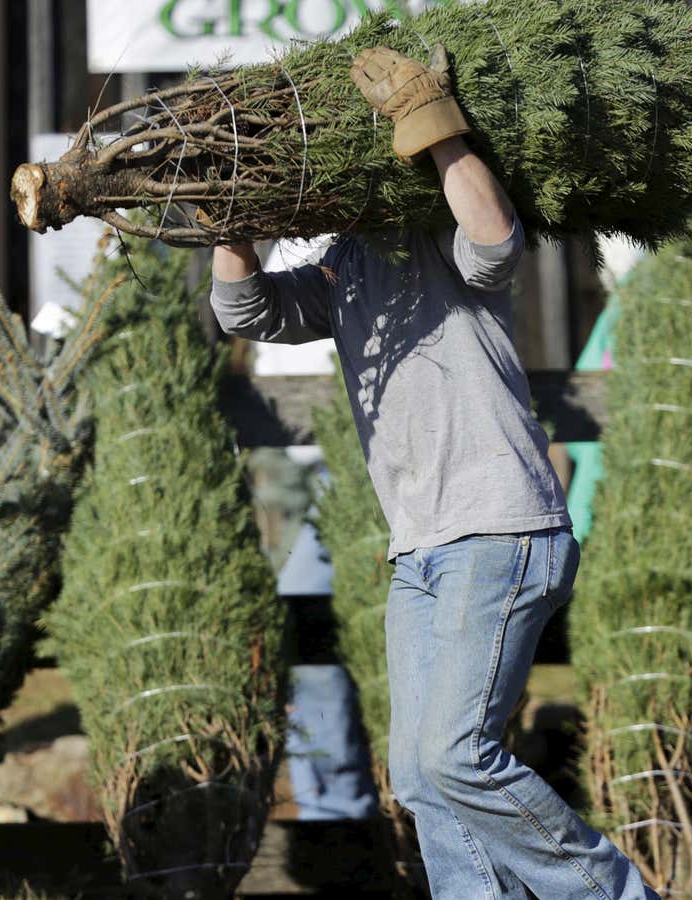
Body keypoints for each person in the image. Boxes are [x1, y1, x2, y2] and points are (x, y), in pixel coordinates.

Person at [209, 45, 654, 900]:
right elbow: (246, 307)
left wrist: (436, 126)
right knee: (419, 777)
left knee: (456, 756)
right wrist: (236, 209)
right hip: (419, 552)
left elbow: (494, 237)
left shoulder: (438, 241)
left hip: (499, 526)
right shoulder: (343, 266)